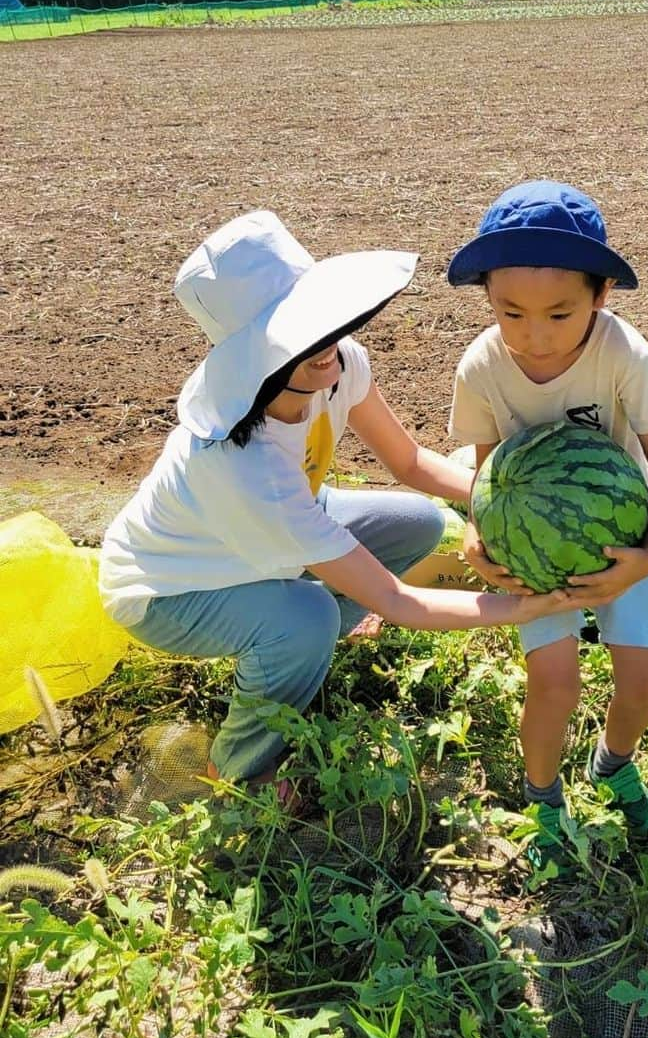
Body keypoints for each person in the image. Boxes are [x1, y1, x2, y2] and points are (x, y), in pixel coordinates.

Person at [99, 210, 577, 802]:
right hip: (171, 587)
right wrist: (519, 609)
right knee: (306, 617)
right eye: (293, 334)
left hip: (270, 534)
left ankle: (312, 647)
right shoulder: (245, 467)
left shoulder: (339, 363)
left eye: (318, 320)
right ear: (255, 354)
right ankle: (239, 773)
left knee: (420, 523)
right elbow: (400, 602)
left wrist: (504, 494)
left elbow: (409, 463)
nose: (323, 343)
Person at [446, 180, 648, 876]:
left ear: (600, 297)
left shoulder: (623, 353)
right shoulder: (482, 367)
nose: (535, 335)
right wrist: (476, 536)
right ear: (487, 298)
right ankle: (543, 796)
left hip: (620, 542)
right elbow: (489, 477)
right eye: (510, 312)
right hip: (534, 557)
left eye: (560, 313)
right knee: (553, 684)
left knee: (643, 681)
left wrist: (647, 558)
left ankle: (613, 767)